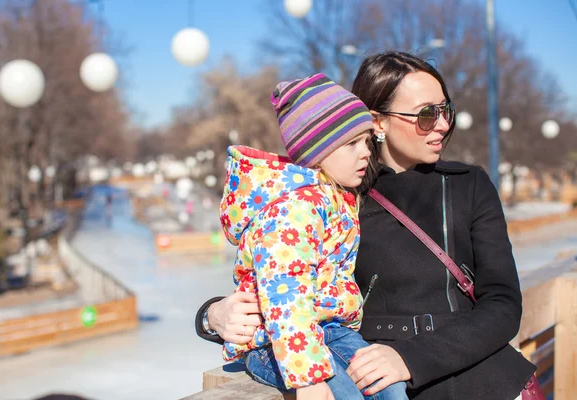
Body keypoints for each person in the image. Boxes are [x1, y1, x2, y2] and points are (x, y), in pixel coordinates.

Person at [195, 52, 536, 400]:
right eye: (426, 114)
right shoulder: (334, 197)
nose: (443, 124)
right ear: (379, 122)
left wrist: (410, 358)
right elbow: (281, 282)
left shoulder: (468, 185)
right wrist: (212, 315)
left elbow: (503, 305)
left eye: (445, 110)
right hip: (369, 377)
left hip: (475, 379)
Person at [216, 73, 409, 400]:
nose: (365, 153)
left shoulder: (337, 197)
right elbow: (286, 293)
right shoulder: (292, 210)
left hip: (332, 332)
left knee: (389, 388)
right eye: (351, 144)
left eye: (366, 141)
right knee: (344, 395)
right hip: (277, 341)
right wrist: (307, 379)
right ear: (317, 152)